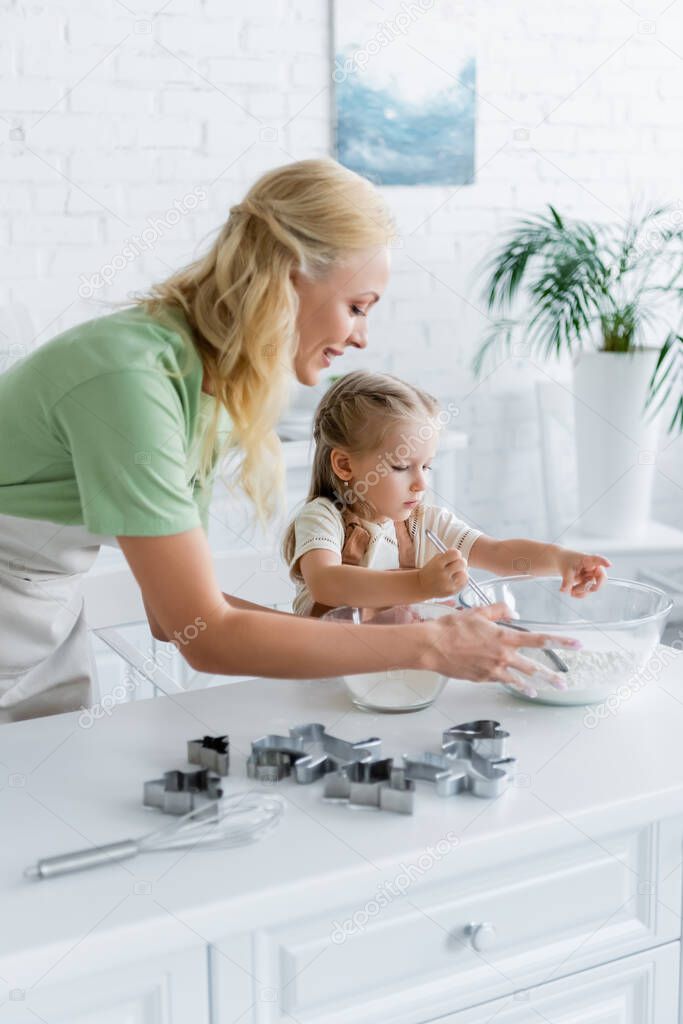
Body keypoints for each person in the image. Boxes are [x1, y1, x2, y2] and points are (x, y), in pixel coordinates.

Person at [0, 158, 577, 722]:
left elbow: (175, 618)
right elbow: (205, 637)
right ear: (288, 274)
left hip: (41, 622)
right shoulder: (132, 382)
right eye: (356, 307)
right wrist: (426, 645)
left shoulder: (205, 388)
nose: (361, 338)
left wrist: (357, 644)